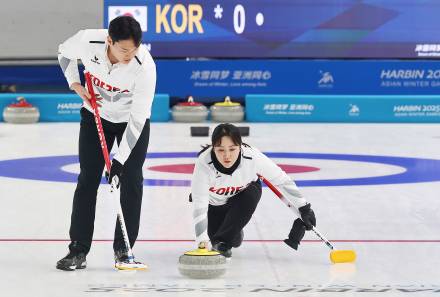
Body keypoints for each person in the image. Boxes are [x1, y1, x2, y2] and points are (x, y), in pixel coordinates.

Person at [56, 16, 156, 270]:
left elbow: (138, 119)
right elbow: (63, 54)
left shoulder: (144, 66)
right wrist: (76, 85)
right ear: (109, 41)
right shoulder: (87, 40)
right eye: (123, 49)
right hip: (95, 115)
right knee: (88, 180)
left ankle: (123, 249)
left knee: (131, 181)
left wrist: (120, 160)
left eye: (134, 49)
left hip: (130, 123)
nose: (129, 55)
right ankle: (78, 250)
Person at [191, 123, 316, 258]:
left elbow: (282, 180)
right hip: (214, 205)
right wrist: (202, 243)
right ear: (213, 148)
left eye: (232, 149)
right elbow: (200, 205)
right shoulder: (204, 163)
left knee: (250, 195)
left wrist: (304, 207)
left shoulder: (252, 157)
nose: (227, 156)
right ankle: (232, 233)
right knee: (233, 240)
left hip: (241, 199)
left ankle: (226, 239)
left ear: (240, 146)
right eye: (220, 150)